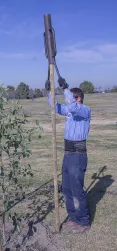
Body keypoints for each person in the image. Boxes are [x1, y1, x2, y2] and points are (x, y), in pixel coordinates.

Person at [48, 82, 91, 234]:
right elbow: (56, 107)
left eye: (72, 97)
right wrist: (50, 92)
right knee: (66, 188)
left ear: (79, 98)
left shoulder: (84, 110)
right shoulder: (70, 112)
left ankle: (83, 220)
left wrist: (65, 89)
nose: (70, 101)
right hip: (68, 154)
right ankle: (73, 217)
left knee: (76, 189)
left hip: (78, 155)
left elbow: (72, 106)